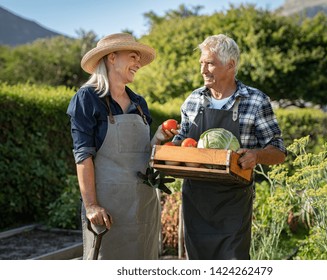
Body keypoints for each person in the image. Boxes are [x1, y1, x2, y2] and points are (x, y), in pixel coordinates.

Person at [173, 34, 287, 260]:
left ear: (230, 65)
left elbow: (279, 151)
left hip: (233, 204)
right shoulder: (193, 100)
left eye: (210, 63)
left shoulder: (255, 101)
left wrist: (257, 155)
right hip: (195, 202)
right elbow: (181, 145)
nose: (203, 70)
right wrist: (166, 140)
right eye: (201, 63)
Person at [66, 33, 175, 260]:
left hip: (144, 206)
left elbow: (144, 152)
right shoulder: (87, 99)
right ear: (112, 57)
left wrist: (159, 137)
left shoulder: (139, 103)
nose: (138, 64)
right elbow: (83, 156)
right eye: (133, 56)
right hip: (109, 212)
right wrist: (92, 205)